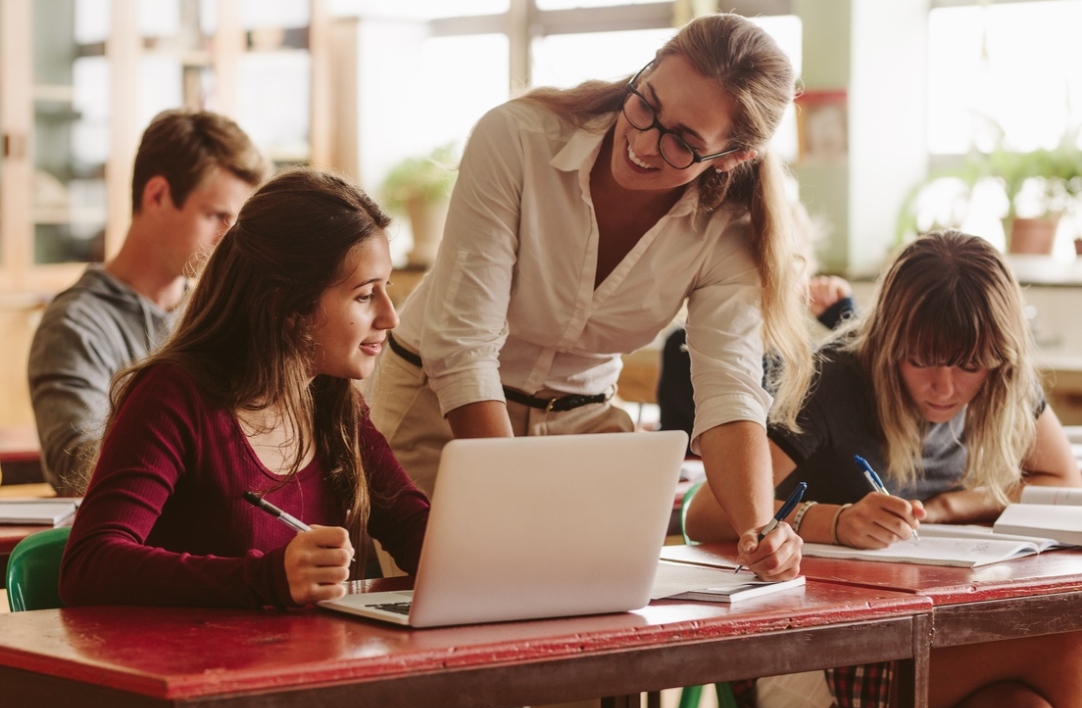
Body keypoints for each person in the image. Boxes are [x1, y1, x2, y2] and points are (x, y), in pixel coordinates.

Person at [370, 12, 812, 582]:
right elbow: (462, 347)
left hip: (578, 429)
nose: (645, 143)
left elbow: (729, 393)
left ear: (730, 159)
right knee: (450, 609)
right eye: (647, 105)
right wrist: (500, 499)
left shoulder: (731, 229)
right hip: (439, 410)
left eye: (682, 141)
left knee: (591, 627)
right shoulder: (517, 138)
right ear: (645, 71)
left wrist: (760, 532)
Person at [686, 230, 1082, 708]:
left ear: (1000, 360)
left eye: (969, 366)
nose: (944, 387)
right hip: (813, 652)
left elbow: (1059, 482)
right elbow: (701, 514)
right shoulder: (834, 379)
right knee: (1068, 647)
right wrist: (835, 521)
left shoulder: (1003, 384)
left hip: (936, 629)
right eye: (921, 361)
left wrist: (953, 504)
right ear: (890, 342)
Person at [59, 168, 430, 609]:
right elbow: (88, 567)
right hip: (191, 669)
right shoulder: (172, 397)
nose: (391, 317)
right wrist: (266, 577)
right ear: (285, 304)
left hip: (301, 665)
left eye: (385, 289)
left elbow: (414, 529)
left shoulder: (333, 401)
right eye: (365, 295)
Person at [28, 109, 270, 495]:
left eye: (236, 222)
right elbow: (77, 470)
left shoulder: (219, 314)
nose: (230, 239)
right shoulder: (74, 325)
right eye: (216, 216)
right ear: (157, 195)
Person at [658, 201, 856, 447]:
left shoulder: (809, 360)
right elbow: (678, 445)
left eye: (786, 260)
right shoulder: (683, 348)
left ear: (806, 272)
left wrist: (846, 321)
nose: (764, 273)